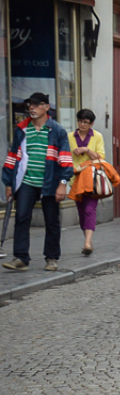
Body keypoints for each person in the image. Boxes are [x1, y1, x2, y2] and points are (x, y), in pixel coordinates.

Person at [1, 93, 72, 272]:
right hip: (26, 181)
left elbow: (65, 159)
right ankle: (21, 258)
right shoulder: (22, 130)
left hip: (50, 181)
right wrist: (9, 183)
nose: (31, 108)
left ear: (46, 107)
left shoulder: (57, 130)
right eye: (29, 105)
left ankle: (52, 258)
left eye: (36, 104)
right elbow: (12, 157)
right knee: (22, 217)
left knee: (52, 221)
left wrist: (63, 182)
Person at [69, 109, 106, 256]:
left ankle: (87, 243)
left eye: (86, 122)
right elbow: (66, 157)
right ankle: (88, 241)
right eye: (80, 121)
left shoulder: (97, 136)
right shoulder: (70, 137)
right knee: (81, 213)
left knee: (90, 209)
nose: (82, 124)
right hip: (76, 180)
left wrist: (86, 150)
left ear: (91, 124)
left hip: (92, 179)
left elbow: (101, 157)